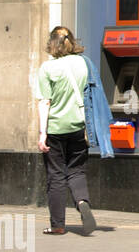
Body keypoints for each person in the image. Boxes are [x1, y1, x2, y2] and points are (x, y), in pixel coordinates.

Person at [34, 26, 110, 236]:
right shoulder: (84, 63)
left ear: (52, 43)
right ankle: (83, 201)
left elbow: (44, 102)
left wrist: (42, 134)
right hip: (79, 127)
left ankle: (57, 225)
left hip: (56, 129)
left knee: (56, 176)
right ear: (72, 42)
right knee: (76, 171)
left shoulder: (47, 69)